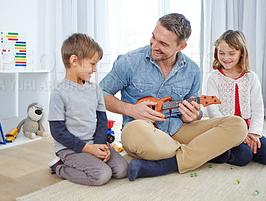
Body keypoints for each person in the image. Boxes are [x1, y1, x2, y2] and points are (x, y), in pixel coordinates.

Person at [99, 13, 248, 181]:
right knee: (134, 134)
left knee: (238, 125)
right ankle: (203, 151)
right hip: (142, 131)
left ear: (181, 47)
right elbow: (100, 94)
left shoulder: (192, 70)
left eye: (163, 44)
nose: (154, 45)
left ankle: (168, 163)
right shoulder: (130, 61)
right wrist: (132, 110)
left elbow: (195, 113)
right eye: (153, 37)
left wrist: (193, 115)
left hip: (178, 129)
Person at [48, 33, 128, 186]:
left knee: (122, 169)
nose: (95, 69)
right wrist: (88, 148)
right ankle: (60, 168)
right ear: (74, 61)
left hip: (93, 143)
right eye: (92, 64)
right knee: (101, 175)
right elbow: (58, 131)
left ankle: (92, 158)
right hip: (70, 148)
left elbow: (102, 121)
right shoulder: (59, 93)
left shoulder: (96, 90)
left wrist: (99, 146)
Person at [206, 29, 266, 166]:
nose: (226, 58)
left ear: (241, 53)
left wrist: (254, 134)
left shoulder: (251, 77)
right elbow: (213, 111)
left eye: (232, 53)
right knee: (243, 157)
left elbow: (257, 108)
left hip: (248, 128)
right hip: (226, 129)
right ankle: (218, 151)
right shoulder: (214, 77)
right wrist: (238, 134)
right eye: (221, 53)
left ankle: (245, 147)